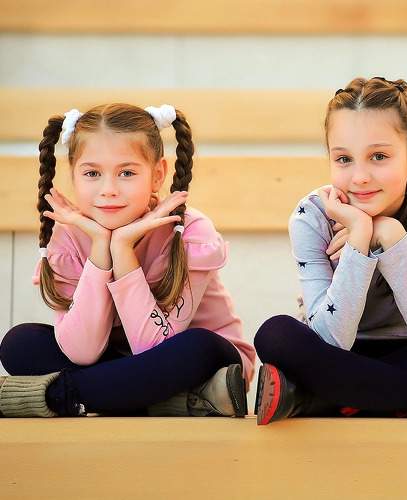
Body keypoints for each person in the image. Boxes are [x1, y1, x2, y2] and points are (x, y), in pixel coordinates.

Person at [253, 76, 407, 425]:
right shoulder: (312, 215)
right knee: (276, 335)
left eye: (379, 156)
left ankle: (326, 396)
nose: (360, 177)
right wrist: (359, 236)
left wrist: (391, 236)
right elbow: (331, 340)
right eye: (344, 159)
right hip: (337, 353)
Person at [0, 103, 255, 418]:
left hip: (188, 361)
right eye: (92, 173)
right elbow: (82, 351)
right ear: (74, 175)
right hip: (121, 364)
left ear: (157, 175)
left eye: (127, 173)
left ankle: (58, 396)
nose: (108, 190)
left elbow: (154, 348)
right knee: (21, 343)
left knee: (199, 346)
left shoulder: (189, 231)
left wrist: (122, 249)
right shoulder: (68, 237)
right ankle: (164, 400)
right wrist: (100, 247)